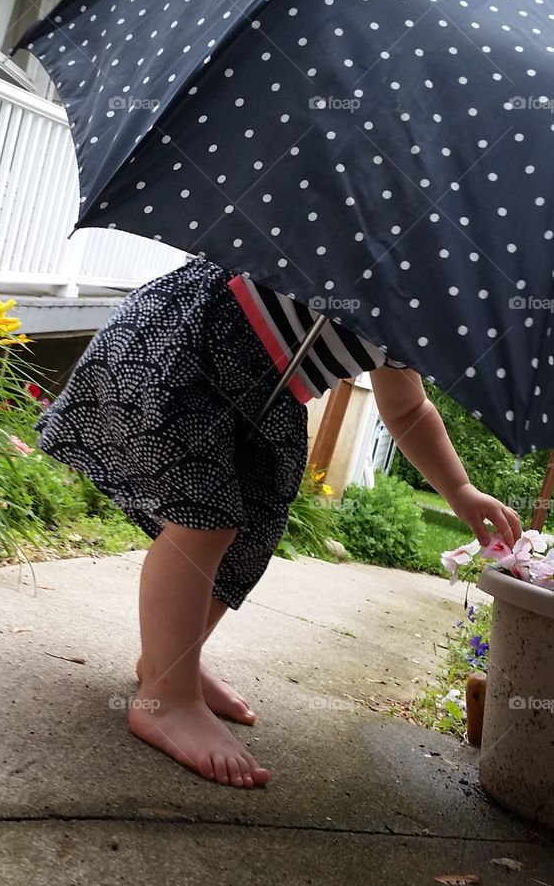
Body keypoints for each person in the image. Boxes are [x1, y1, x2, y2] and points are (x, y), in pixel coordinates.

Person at [35, 255, 522, 788]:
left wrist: (460, 490)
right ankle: (165, 700)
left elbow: (407, 411)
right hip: (187, 341)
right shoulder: (353, 237)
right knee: (204, 519)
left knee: (251, 530)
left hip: (268, 393)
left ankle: (170, 659)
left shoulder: (410, 323)